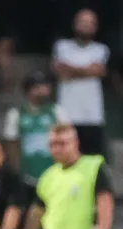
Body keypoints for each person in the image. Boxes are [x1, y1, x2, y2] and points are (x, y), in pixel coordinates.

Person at [16, 124, 114, 229]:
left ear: (75, 143)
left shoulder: (93, 166)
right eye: (52, 145)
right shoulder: (48, 175)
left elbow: (105, 201)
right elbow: (37, 210)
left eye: (62, 144)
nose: (57, 149)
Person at [4, 71, 70, 203]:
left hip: (54, 172)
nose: (45, 90)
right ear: (29, 90)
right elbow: (11, 144)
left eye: (46, 86)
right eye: (39, 87)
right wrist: (17, 171)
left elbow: (67, 140)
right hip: (27, 175)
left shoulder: (57, 111)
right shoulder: (16, 114)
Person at [52, 9, 109, 157]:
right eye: (82, 22)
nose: (86, 26)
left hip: (93, 116)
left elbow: (99, 71)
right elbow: (59, 71)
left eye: (90, 23)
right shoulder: (61, 46)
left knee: (92, 159)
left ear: (96, 27)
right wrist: (88, 71)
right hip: (66, 115)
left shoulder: (101, 49)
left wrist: (71, 70)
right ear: (74, 24)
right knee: (67, 157)